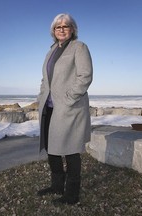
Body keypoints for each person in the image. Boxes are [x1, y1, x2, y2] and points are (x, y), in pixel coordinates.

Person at [37, 13, 93, 205]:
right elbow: (46, 79)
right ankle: (57, 185)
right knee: (52, 149)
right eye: (57, 27)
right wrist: (41, 96)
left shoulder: (79, 47)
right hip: (50, 107)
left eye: (65, 26)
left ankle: (71, 194)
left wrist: (69, 98)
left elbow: (85, 76)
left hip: (70, 108)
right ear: (53, 31)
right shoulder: (51, 50)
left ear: (72, 29)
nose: (61, 29)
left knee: (71, 150)